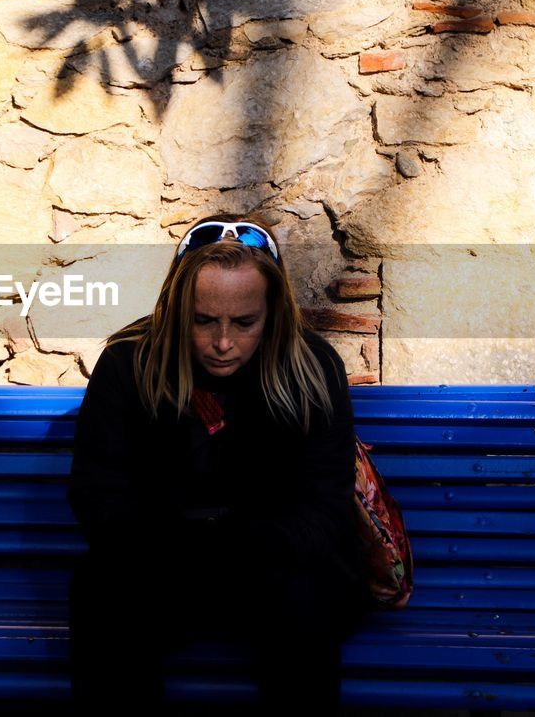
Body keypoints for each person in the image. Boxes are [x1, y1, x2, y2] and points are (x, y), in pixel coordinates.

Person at [67, 213, 371, 716]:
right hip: (160, 564)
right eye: (203, 321)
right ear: (177, 308)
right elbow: (99, 495)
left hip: (275, 565)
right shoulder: (129, 364)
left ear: (273, 311)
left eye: (244, 322)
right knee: (104, 595)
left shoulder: (311, 368)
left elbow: (324, 503)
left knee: (308, 599)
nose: (223, 342)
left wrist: (248, 551)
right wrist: (176, 552)